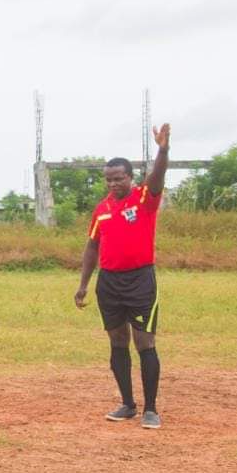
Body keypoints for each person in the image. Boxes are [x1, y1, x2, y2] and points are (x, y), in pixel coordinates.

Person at [75, 124, 170, 429]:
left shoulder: (145, 198)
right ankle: (127, 404)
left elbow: (157, 179)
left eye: (119, 178)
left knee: (145, 342)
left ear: (130, 177)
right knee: (117, 341)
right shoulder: (101, 209)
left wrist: (163, 150)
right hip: (109, 283)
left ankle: (151, 409)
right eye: (109, 179)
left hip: (140, 281)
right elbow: (92, 247)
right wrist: (83, 285)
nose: (114, 183)